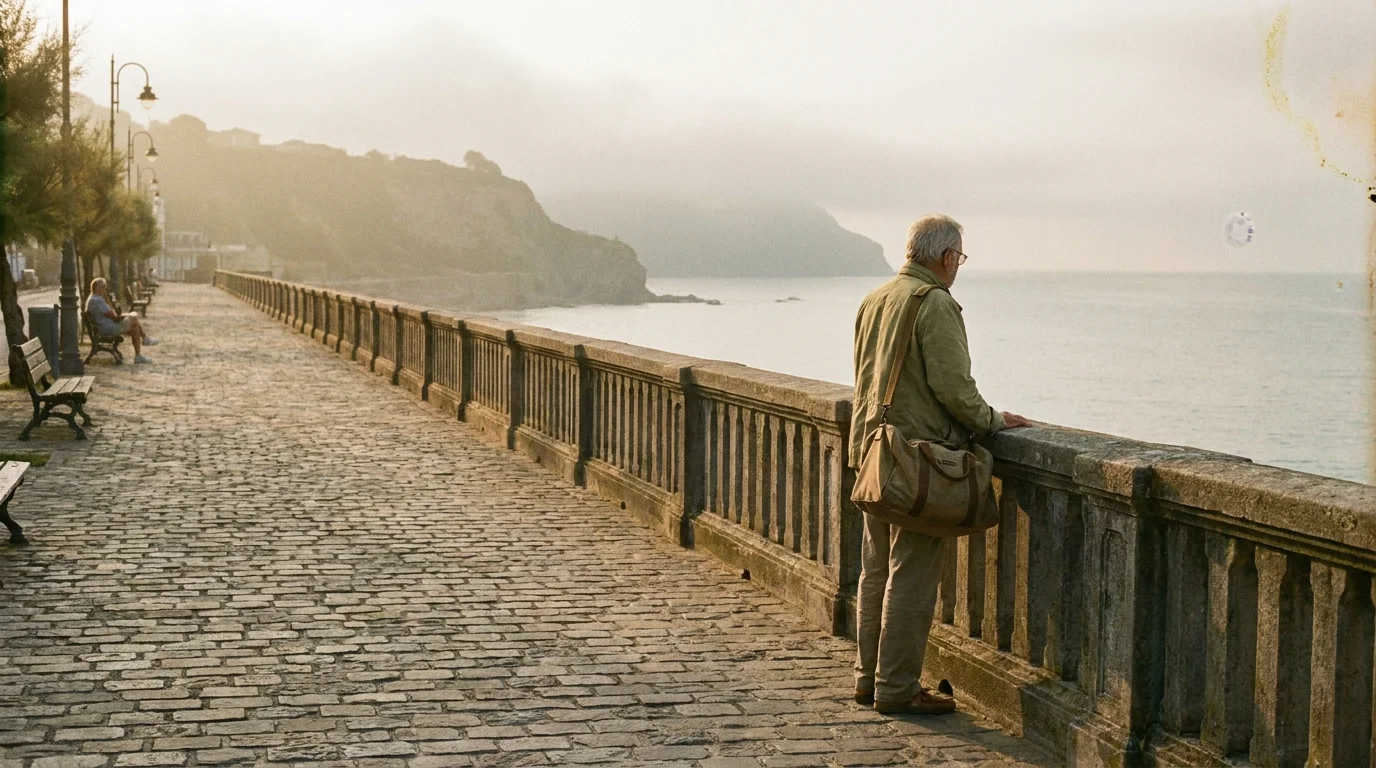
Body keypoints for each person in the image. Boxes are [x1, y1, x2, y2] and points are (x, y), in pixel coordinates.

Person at [850, 214, 1030, 715]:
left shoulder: (875, 299)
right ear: (946, 257)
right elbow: (954, 388)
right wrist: (993, 420)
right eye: (960, 258)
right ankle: (897, 687)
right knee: (911, 574)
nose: (959, 267)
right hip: (917, 462)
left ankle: (868, 679)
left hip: (873, 452)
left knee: (874, 570)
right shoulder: (935, 304)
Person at [85, 277, 159, 363]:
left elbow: (113, 315)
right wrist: (108, 299)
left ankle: (138, 355)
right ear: (98, 288)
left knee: (135, 329)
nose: (105, 289)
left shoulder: (94, 298)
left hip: (106, 326)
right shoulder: (97, 300)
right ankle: (145, 340)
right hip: (107, 329)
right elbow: (114, 316)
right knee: (134, 319)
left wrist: (125, 315)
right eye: (104, 287)